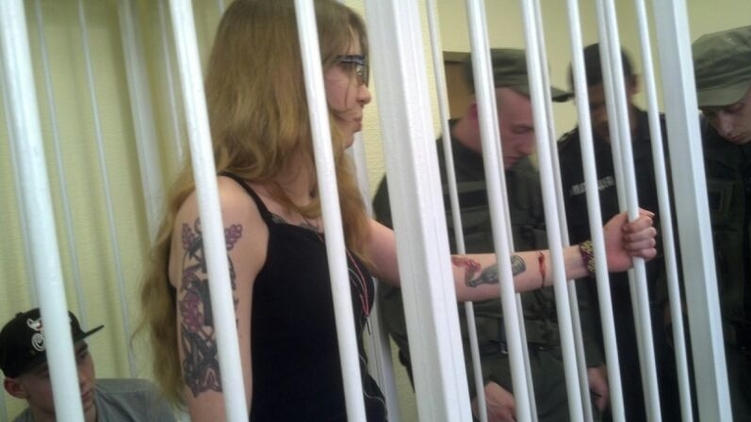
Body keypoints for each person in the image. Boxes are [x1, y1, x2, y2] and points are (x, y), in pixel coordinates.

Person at [137, 1, 658, 421]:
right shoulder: (223, 211)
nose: (365, 93)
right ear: (284, 76)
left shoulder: (322, 205)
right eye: (350, 66)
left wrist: (590, 254)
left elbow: (442, 274)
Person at [373, 48, 608, 422]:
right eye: (519, 131)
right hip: (485, 380)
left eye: (535, 130)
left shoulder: (527, 176)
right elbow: (401, 302)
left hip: (555, 365)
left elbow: (562, 267)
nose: (528, 146)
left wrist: (589, 355)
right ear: (478, 114)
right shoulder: (417, 182)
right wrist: (468, 384)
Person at [557, 44, 680, 421]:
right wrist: (589, 350)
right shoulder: (568, 159)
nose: (603, 116)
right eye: (591, 106)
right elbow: (565, 258)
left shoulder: (674, 136)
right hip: (611, 322)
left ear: (634, 85)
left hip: (680, 306)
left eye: (609, 101)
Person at [692, 24, 751, 421]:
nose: (724, 127)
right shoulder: (693, 148)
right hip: (726, 355)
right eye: (711, 113)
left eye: (734, 108)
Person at [0, 308, 175, 422]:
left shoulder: (144, 401)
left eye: (81, 356)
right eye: (53, 373)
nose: (80, 379)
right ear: (16, 388)